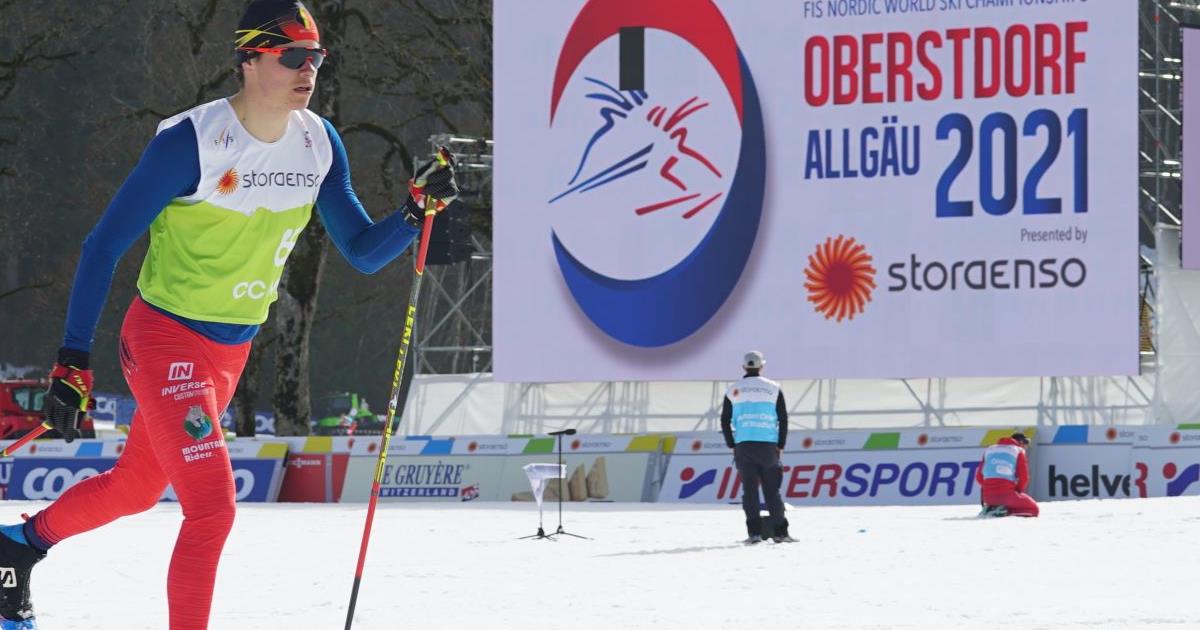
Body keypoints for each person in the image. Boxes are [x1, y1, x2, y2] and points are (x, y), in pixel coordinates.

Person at [0, 2, 459, 628]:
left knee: (136, 489)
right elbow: (103, 245)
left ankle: (17, 547)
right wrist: (73, 359)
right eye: (293, 57)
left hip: (227, 354)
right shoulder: (189, 143)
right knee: (212, 508)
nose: (309, 71)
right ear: (249, 57)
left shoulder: (318, 143)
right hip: (165, 340)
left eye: (317, 58)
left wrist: (413, 213)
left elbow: (362, 252)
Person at [721, 350, 793, 544]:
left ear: (744, 367)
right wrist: (781, 444)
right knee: (772, 492)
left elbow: (724, 421)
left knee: (750, 492)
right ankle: (780, 533)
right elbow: (783, 418)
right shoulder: (774, 388)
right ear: (761, 366)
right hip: (768, 445)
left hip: (744, 446)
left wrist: (731, 444)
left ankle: (754, 534)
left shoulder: (732, 390)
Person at [975, 432, 1040, 518]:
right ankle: (1004, 511)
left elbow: (979, 476)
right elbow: (1024, 478)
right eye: (1025, 444)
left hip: (987, 497)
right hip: (1006, 495)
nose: (1025, 447)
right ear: (1020, 442)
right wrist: (1017, 491)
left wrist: (990, 487)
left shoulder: (990, 449)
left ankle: (993, 508)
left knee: (1004, 498)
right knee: (1033, 509)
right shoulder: (1018, 451)